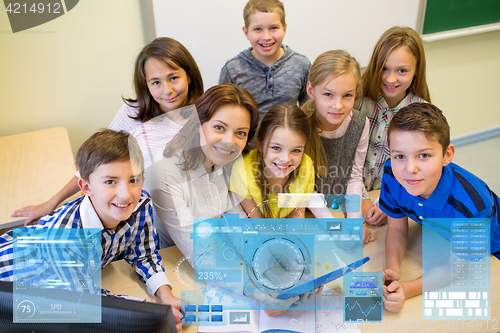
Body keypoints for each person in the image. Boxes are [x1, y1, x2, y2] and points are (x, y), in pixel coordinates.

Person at [1, 130, 183, 332]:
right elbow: (89, 305)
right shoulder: (67, 237)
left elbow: (144, 255)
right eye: (110, 181)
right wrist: (152, 314)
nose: (125, 195)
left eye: (133, 180)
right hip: (13, 289)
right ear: (86, 187)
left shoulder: (140, 204)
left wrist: (166, 295)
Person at [12, 37, 204, 226]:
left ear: (188, 75)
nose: (167, 90)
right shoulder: (133, 113)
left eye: (173, 78)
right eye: (156, 82)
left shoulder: (206, 119)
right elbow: (96, 162)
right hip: (123, 211)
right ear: (145, 84)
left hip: (174, 220)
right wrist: (52, 202)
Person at [378, 103, 500, 313]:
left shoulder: (474, 207)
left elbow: (457, 265)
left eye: (423, 155)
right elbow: (397, 228)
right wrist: (392, 269)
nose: (410, 169)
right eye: (400, 156)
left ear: (447, 155)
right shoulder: (391, 174)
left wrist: (407, 289)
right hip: (444, 233)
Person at [358, 26, 430, 227]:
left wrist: (386, 203)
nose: (391, 79)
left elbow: (420, 171)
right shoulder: (356, 101)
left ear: (416, 71)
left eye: (402, 71)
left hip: (393, 201)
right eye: (384, 68)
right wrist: (361, 197)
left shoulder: (423, 114)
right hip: (350, 196)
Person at [303, 50, 373, 243]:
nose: (338, 105)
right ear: (311, 91)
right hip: (305, 212)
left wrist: (354, 222)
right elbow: (304, 188)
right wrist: (332, 226)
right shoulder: (300, 125)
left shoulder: (360, 124)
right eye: (328, 94)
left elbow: (354, 175)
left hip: (339, 207)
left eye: (347, 95)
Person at [218, 0, 310, 119]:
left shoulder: (302, 65)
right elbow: (223, 113)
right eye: (257, 29)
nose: (266, 37)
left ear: (284, 29)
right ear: (246, 32)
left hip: (288, 137)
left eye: (273, 28)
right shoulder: (232, 69)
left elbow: (309, 110)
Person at [230, 102, 314, 218]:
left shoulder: (306, 165)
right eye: (276, 148)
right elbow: (258, 223)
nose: (285, 159)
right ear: (260, 144)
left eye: (296, 150)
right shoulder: (241, 171)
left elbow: (298, 217)